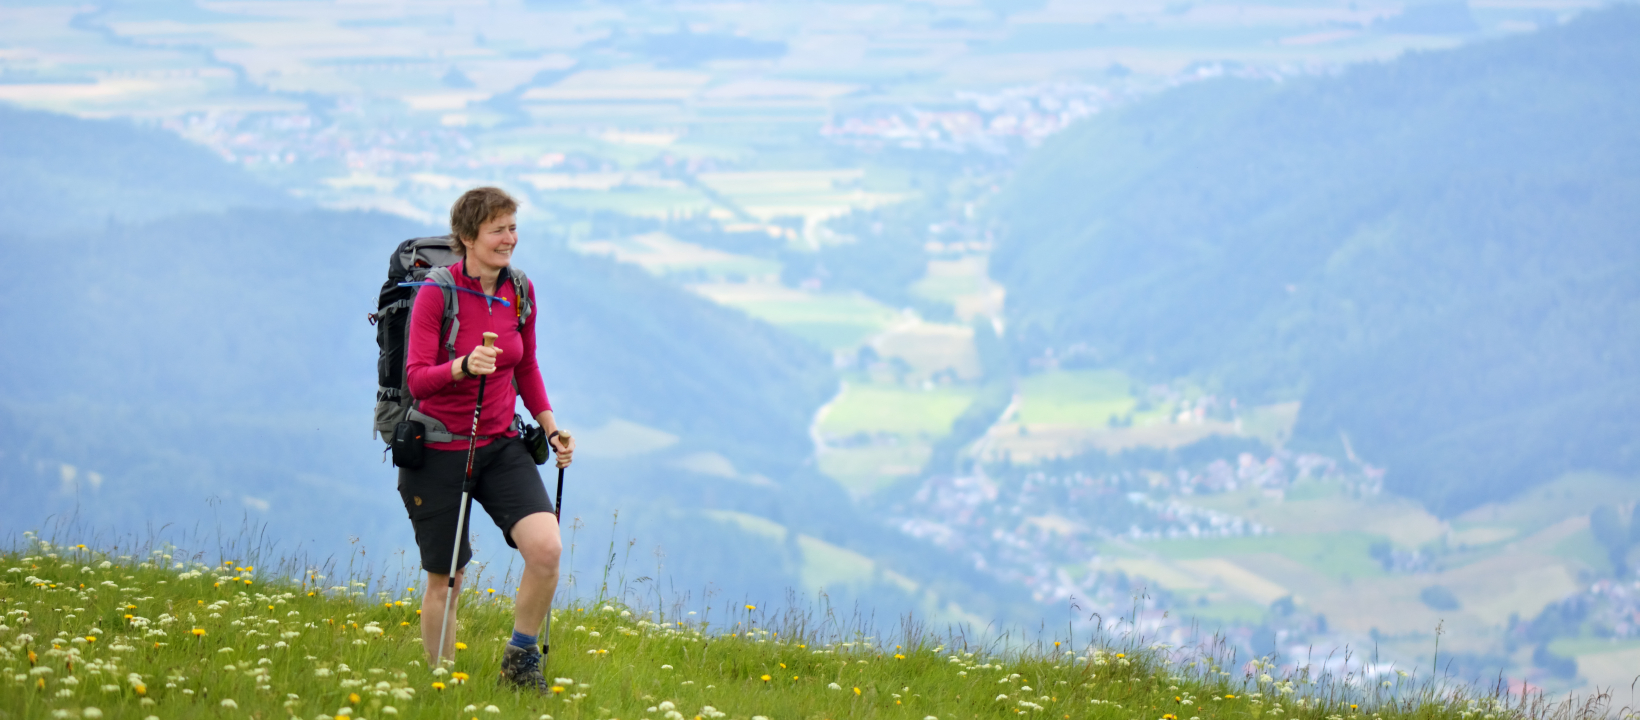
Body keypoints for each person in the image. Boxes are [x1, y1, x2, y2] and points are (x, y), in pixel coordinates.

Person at [397, 186, 574, 692]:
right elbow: (416, 379)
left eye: (513, 227)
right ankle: (439, 687)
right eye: (498, 229)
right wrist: (461, 366)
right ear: (467, 238)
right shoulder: (437, 292)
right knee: (446, 580)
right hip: (437, 449)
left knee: (545, 549)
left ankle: (519, 662)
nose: (510, 239)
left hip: (498, 445)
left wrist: (549, 425)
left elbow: (527, 365)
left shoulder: (519, 290)